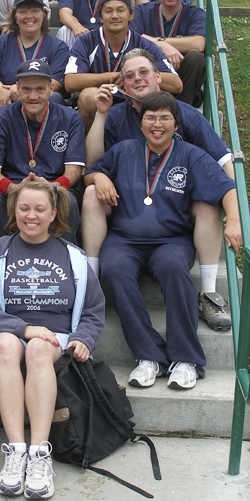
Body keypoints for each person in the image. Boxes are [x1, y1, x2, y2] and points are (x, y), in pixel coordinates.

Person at [84, 92, 241, 390]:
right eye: (150, 118)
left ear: (176, 124)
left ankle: (186, 359)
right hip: (124, 240)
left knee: (173, 269)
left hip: (171, 240)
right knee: (113, 269)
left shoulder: (191, 155)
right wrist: (98, 179)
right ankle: (149, 356)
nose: (157, 124)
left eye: (165, 118)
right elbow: (92, 171)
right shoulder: (124, 150)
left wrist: (233, 220)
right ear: (141, 124)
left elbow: (226, 187)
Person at [82, 48, 235, 330]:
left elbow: (223, 159)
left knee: (207, 200)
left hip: (175, 208)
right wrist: (100, 117)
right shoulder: (115, 115)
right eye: (130, 76)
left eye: (144, 73)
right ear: (123, 85)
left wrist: (236, 212)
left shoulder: (183, 114)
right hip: (126, 207)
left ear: (158, 77)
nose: (138, 79)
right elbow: (93, 164)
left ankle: (209, 293)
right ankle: (91, 287)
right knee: (91, 192)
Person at [0, 181, 105, 498]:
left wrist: (84, 338)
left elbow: (92, 309)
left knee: (38, 349)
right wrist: (23, 328)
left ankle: (39, 454)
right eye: (23, 208)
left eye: (39, 209)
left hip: (54, 337)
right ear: (13, 211)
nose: (30, 216)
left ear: (53, 214)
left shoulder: (73, 257)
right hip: (4, 334)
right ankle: (16, 449)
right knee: (10, 344)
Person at [0, 59, 85, 255]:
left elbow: (74, 171)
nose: (33, 96)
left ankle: (68, 263)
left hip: (54, 187)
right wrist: (14, 189)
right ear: (17, 89)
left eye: (40, 89)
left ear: (51, 89)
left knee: (67, 200)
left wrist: (51, 187)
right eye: (26, 89)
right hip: (13, 185)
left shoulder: (70, 118)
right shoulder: (0, 118)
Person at [63, 0, 182, 133]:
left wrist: (139, 76)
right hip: (102, 98)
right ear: (101, 16)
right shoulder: (86, 41)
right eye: (108, 11)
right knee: (88, 96)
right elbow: (70, 82)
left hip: (135, 98)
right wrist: (114, 76)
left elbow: (176, 84)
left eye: (120, 10)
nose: (114, 16)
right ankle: (89, 151)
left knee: (162, 96)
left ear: (131, 14)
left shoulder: (144, 43)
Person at [0, 0, 69, 136]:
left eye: (34, 10)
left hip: (39, 98)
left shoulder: (58, 47)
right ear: (15, 16)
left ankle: (47, 149)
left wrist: (20, 90)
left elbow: (55, 83)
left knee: (55, 98)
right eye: (22, 11)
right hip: (6, 99)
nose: (29, 16)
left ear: (44, 14)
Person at [130, 0, 206, 107]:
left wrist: (157, 41)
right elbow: (132, 37)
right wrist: (162, 45)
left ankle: (181, 112)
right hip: (150, 71)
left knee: (196, 57)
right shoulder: (142, 11)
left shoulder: (195, 13)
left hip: (182, 77)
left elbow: (198, 43)